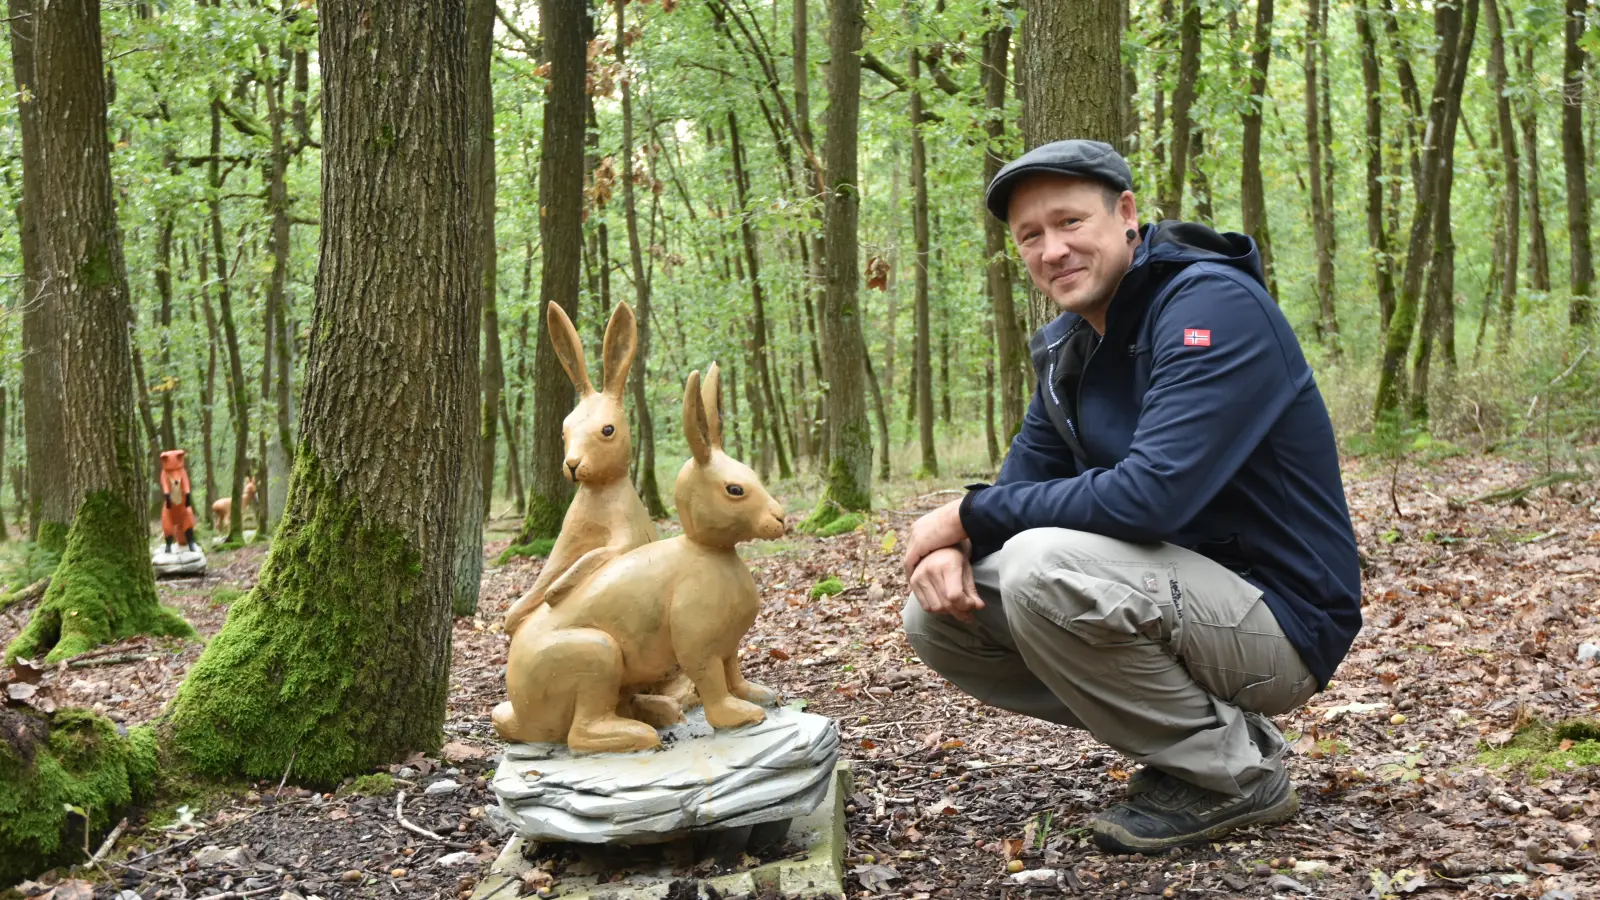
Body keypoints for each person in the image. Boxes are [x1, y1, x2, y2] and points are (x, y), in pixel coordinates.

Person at [899, 139, 1361, 855]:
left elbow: (1151, 497)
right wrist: (957, 544)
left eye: (1070, 222)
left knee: (1041, 567)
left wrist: (962, 513)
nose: (1053, 250)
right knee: (940, 617)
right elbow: (1024, 484)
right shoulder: (1066, 350)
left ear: (1125, 215)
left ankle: (1237, 776)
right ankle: (1205, 741)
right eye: (1031, 236)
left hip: (1284, 618)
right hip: (1177, 604)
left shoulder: (1213, 306)